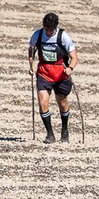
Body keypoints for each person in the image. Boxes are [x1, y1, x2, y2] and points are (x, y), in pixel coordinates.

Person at [27, 13, 77, 142]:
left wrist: (70, 68)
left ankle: (64, 130)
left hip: (61, 74)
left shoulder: (63, 36)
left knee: (62, 102)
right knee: (42, 102)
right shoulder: (37, 35)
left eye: (51, 30)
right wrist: (31, 66)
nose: (49, 32)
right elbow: (31, 50)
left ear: (56, 27)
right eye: (46, 29)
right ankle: (50, 134)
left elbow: (74, 57)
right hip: (44, 73)